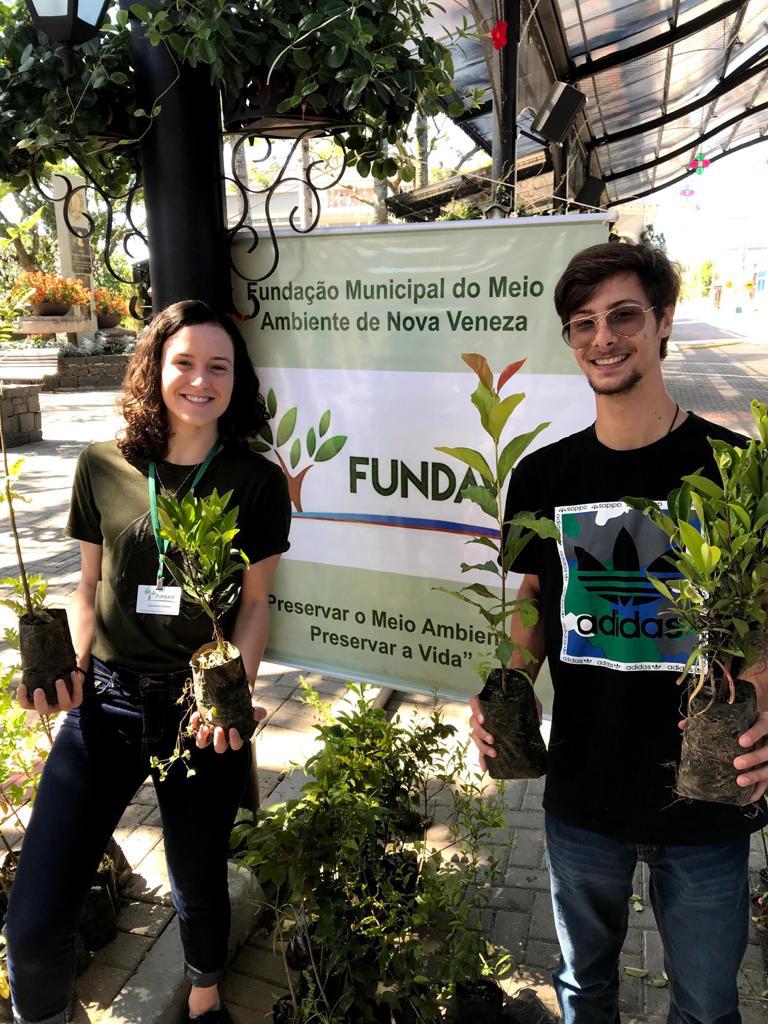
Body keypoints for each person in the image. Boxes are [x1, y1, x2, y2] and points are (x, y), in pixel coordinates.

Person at [469, 243, 768, 1024]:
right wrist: (506, 683)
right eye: (584, 323)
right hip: (583, 791)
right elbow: (535, 595)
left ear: (663, 321)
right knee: (582, 988)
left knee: (706, 1007)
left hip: (706, 801)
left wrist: (765, 698)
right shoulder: (544, 476)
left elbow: (765, 614)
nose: (603, 338)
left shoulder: (736, 467)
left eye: (624, 316)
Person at [5, 299, 291, 1024]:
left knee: (198, 875)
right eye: (183, 362)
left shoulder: (256, 480)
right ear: (154, 369)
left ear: (236, 380)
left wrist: (235, 692)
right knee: (33, 922)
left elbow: (255, 604)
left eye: (218, 367)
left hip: (198, 711)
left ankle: (204, 999)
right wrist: (70, 671)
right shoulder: (102, 464)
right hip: (105, 703)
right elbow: (87, 586)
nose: (201, 380)